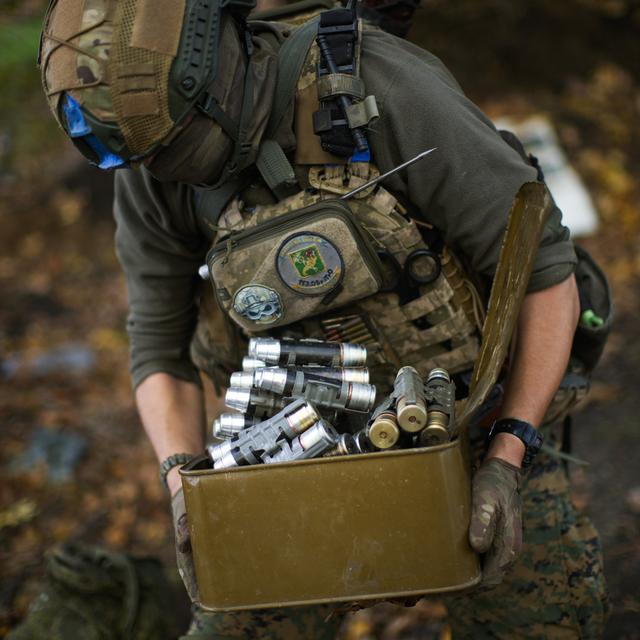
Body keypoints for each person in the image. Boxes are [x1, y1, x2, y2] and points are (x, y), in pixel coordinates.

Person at [39, 0, 609, 637]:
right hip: (280, 449)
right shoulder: (151, 161)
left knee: (544, 623)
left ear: (213, 90)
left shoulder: (381, 87)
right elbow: (157, 345)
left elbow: (544, 273)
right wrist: (184, 489)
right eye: (136, 160)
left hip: (476, 419)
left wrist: (510, 454)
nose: (152, 173)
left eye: (168, 151)